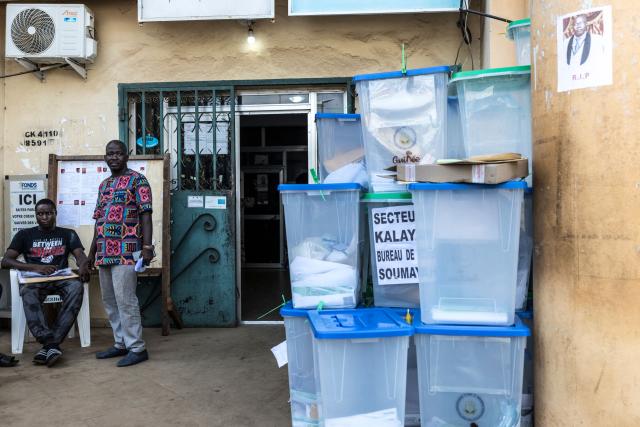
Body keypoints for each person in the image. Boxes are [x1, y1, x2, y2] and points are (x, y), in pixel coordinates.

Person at [1, 198, 90, 367]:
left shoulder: (68, 234)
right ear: (36, 215)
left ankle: (49, 344)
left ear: (55, 214)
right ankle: (51, 343)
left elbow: (80, 256)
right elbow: (6, 261)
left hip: (61, 279)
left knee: (77, 287)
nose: (44, 217)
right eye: (40, 213)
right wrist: (35, 267)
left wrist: (84, 265)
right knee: (27, 292)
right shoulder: (24, 235)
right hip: (35, 280)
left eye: (48, 213)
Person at [88, 140, 153, 367]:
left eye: (118, 153)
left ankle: (137, 347)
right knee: (110, 301)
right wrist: (90, 255)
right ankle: (121, 343)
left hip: (127, 251)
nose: (114, 157)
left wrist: (147, 247)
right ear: (105, 157)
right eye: (110, 154)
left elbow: (146, 214)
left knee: (126, 300)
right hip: (104, 252)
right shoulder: (104, 185)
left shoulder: (138, 180)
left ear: (127, 156)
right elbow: (99, 222)